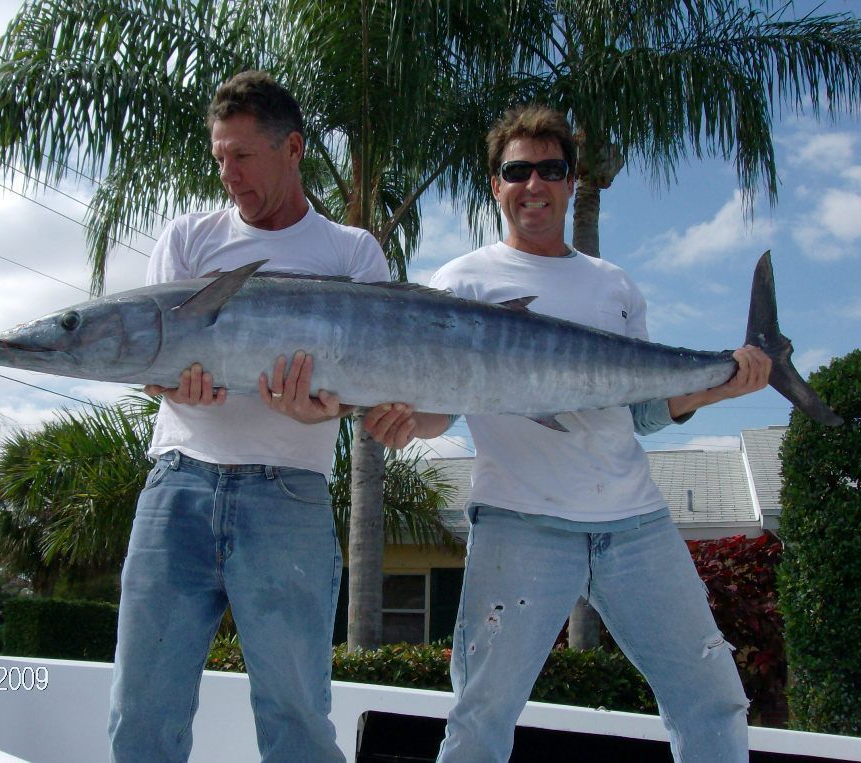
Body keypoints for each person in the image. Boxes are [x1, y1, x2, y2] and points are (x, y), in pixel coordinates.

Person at [364, 105, 770, 763]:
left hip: (634, 523)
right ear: (495, 183)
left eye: (549, 169)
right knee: (481, 716)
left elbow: (639, 411)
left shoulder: (612, 286)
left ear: (571, 180)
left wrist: (721, 381)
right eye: (517, 170)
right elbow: (441, 407)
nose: (534, 184)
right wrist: (407, 423)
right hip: (519, 522)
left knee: (712, 699)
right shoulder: (461, 282)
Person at [108, 70, 390, 763]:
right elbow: (153, 366)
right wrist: (173, 389)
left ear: (291, 147)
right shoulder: (189, 238)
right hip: (178, 483)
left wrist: (332, 405)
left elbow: (374, 378)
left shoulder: (351, 253)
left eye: (243, 156)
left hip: (287, 492)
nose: (227, 173)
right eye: (219, 156)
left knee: (296, 716)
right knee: (141, 711)